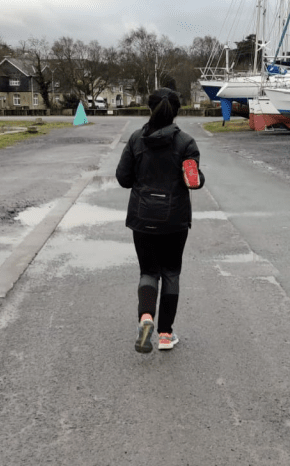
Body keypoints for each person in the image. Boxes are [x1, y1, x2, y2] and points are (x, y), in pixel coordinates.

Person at [116, 88, 205, 353]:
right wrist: (195, 175)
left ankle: (146, 318)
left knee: (148, 272)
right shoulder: (186, 143)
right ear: (176, 111)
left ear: (149, 108)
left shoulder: (136, 139)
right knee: (171, 273)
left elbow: (123, 179)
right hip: (174, 219)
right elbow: (194, 181)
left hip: (143, 217)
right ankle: (166, 334)